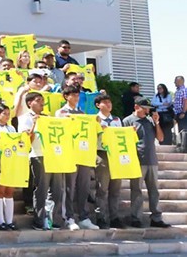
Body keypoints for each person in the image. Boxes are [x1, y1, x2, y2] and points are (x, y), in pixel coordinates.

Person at [54, 84, 99, 230]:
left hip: (84, 154)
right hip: (69, 155)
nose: (76, 97)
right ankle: (69, 217)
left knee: (84, 187)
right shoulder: (60, 112)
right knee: (69, 188)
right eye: (73, 95)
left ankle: (84, 217)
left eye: (77, 95)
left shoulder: (82, 113)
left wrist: (96, 123)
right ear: (66, 96)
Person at [19, 91, 65, 230]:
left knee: (57, 190)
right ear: (29, 103)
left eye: (43, 100)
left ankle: (52, 219)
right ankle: (39, 220)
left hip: (54, 155)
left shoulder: (47, 118)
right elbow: (26, 139)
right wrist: (35, 124)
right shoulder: (24, 118)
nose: (42, 103)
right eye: (38, 100)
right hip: (37, 155)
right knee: (42, 189)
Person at [123, 97, 171, 228]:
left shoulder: (150, 121)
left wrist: (157, 123)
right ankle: (136, 218)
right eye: (144, 108)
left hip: (152, 160)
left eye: (148, 109)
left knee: (154, 190)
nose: (147, 111)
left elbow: (160, 138)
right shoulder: (127, 121)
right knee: (136, 190)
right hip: (137, 160)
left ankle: (156, 217)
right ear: (136, 107)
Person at [94, 93, 125, 229]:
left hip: (116, 155)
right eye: (105, 102)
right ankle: (100, 217)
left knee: (116, 188)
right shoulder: (94, 120)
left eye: (109, 102)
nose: (108, 104)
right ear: (98, 105)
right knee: (102, 188)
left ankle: (114, 217)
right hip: (102, 153)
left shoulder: (117, 120)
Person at [0, 104, 19, 230]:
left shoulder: (12, 129)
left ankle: (9, 221)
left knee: (9, 192)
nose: (7, 116)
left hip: (11, 162)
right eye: (4, 113)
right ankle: (0, 221)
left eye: (9, 114)